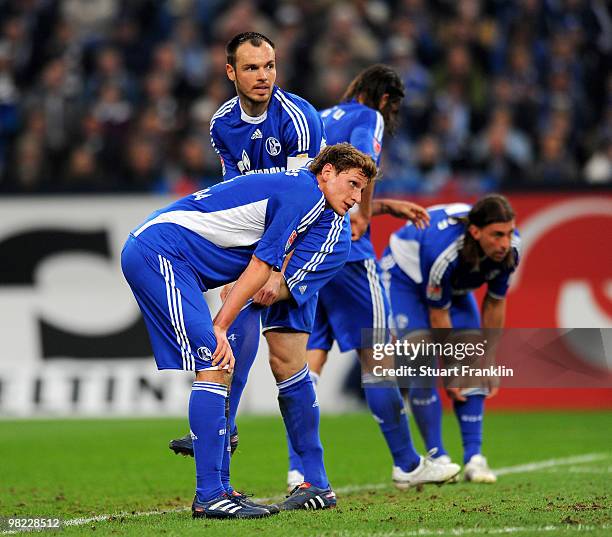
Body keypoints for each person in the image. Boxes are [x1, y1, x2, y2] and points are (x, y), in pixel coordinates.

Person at [122, 143, 378, 519]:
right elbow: (262, 264)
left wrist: (228, 313)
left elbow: (263, 274)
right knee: (215, 360)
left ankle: (221, 488)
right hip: (159, 252)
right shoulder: (305, 194)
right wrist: (221, 324)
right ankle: (209, 495)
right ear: (326, 173)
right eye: (353, 185)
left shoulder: (311, 203)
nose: (357, 198)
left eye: (362, 190)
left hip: (173, 257)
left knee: (220, 364)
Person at [169, 31, 353, 511]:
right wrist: (242, 266)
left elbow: (306, 203)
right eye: (251, 68)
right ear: (231, 73)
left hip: (306, 244)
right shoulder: (221, 124)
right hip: (257, 245)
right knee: (235, 334)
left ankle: (314, 480)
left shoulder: (300, 118)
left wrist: (280, 272)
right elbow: (237, 193)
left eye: (269, 66)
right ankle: (224, 443)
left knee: (286, 360)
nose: (263, 76)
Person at [287, 64, 460, 490]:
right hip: (347, 254)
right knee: (378, 354)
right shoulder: (370, 117)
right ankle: (406, 463)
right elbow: (360, 166)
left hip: (308, 250)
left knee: (308, 360)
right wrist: (365, 212)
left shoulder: (321, 117)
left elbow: (321, 187)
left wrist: (383, 208)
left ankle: (300, 470)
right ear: (385, 99)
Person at [380, 195, 521, 483]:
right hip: (405, 279)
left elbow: (495, 303)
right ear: (475, 232)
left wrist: (487, 361)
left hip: (450, 289)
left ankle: (474, 459)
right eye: (497, 235)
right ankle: (438, 456)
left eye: (508, 233)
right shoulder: (443, 251)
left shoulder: (511, 249)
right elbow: (438, 317)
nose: (505, 242)